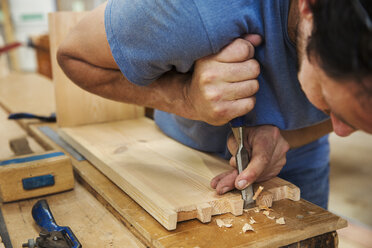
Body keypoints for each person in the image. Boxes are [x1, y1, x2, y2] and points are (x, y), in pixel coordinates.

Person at [57, 0, 372, 209]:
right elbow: (73, 54)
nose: (342, 132)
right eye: (330, 104)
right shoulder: (197, 10)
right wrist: (184, 97)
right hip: (188, 160)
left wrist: (284, 139)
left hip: (300, 161)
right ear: (309, 6)